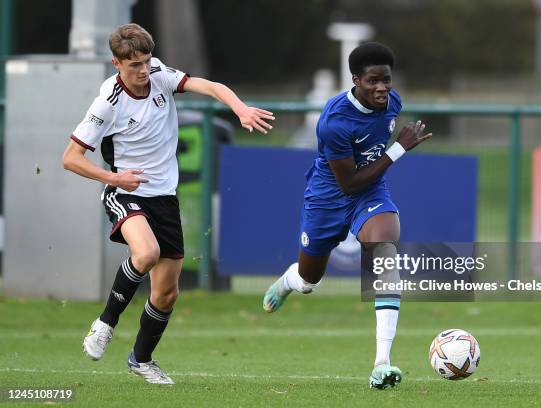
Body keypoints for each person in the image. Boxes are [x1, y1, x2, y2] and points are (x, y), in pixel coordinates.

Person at [63, 23, 274, 385]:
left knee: (166, 293)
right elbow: (71, 158)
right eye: (135, 65)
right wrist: (115, 179)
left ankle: (141, 359)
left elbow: (209, 86)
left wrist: (239, 108)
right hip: (125, 191)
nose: (143, 70)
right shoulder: (107, 104)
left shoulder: (159, 74)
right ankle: (105, 324)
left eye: (146, 61)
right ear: (117, 63)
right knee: (144, 254)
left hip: (164, 196)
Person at [262, 42, 431, 389]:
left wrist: (391, 151)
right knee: (311, 281)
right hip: (329, 198)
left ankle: (381, 363)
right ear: (355, 80)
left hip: (369, 191)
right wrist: (400, 148)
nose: (382, 88)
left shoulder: (392, 102)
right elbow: (349, 182)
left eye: (386, 80)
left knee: (385, 247)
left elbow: (366, 176)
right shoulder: (334, 122)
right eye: (373, 81)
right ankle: (292, 280)